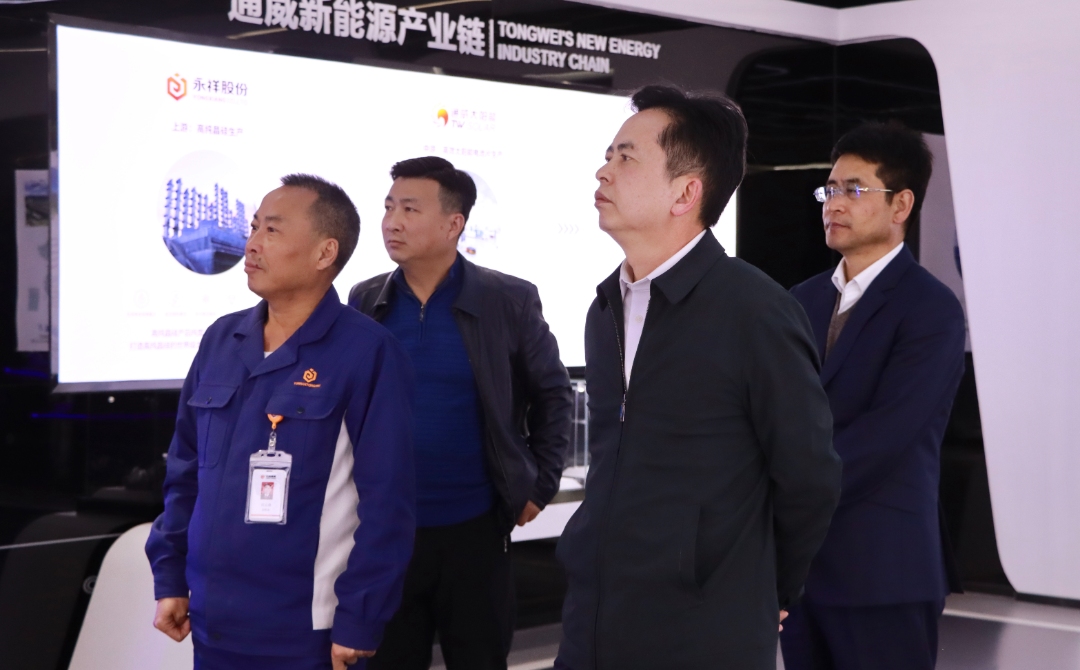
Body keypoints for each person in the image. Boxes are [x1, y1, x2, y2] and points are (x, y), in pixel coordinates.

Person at [554, 85, 842, 670]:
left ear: (686, 192)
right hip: (596, 618)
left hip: (705, 628)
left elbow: (808, 474)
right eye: (608, 155)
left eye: (626, 157)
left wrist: (767, 588)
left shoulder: (755, 310)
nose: (604, 171)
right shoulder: (605, 307)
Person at [145, 174, 416, 670]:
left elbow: (388, 503)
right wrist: (171, 577)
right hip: (213, 620)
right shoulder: (221, 339)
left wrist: (359, 618)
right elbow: (184, 472)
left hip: (306, 630)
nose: (251, 244)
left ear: (324, 252)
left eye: (272, 230)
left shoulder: (368, 352)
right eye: (253, 228)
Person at [349, 156, 572, 670]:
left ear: (454, 224)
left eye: (410, 209)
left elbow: (554, 394)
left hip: (474, 530)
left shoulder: (508, 299)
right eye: (388, 207)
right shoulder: (366, 299)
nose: (392, 221)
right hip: (385, 531)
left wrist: (539, 486)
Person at [782, 123, 966, 670]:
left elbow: (887, 434)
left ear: (901, 204)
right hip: (800, 572)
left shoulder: (931, 308)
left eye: (854, 189)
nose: (834, 203)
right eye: (830, 189)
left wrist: (786, 491)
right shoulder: (799, 301)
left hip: (884, 568)